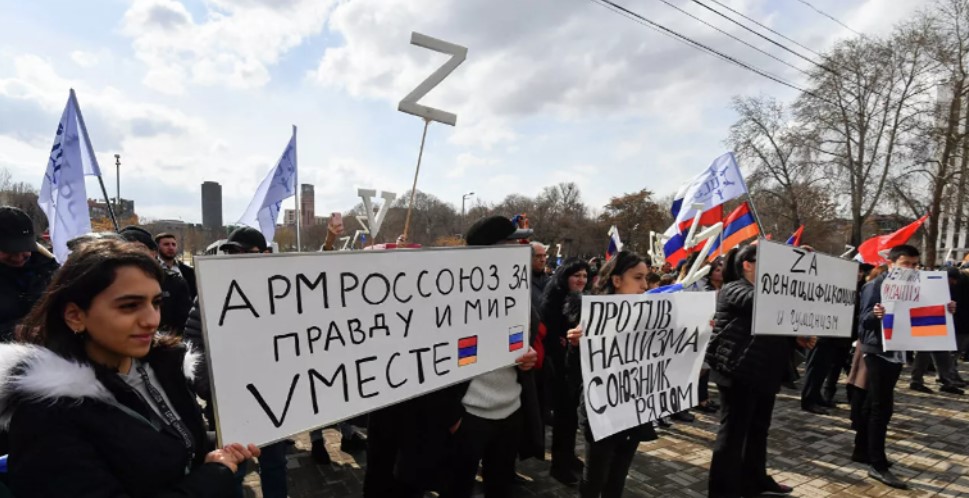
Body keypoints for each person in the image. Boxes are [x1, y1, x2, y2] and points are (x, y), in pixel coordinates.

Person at [0, 238, 259, 497]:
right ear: (75, 316)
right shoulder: (45, 415)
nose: (151, 320)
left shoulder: (165, 365)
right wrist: (213, 477)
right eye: (129, 306)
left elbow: (169, 445)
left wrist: (225, 446)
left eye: (156, 303)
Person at [439, 215, 542, 498]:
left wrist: (526, 356)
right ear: (494, 249)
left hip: (510, 410)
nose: (523, 247)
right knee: (457, 488)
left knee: (500, 487)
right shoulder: (454, 295)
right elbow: (441, 357)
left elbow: (520, 341)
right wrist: (452, 416)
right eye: (514, 242)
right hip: (469, 415)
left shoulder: (518, 291)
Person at [183, 226, 289, 498]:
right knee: (233, 469)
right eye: (232, 252)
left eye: (246, 253)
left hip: (275, 401)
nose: (238, 258)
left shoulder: (282, 292)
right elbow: (193, 347)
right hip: (230, 406)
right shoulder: (211, 293)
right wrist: (214, 391)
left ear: (264, 254)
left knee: (275, 463)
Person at [853, 244, 957, 489]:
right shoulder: (875, 286)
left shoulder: (919, 286)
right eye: (906, 264)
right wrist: (876, 314)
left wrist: (946, 310)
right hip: (877, 351)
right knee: (882, 407)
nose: (911, 269)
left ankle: (862, 451)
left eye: (914, 264)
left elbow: (922, 313)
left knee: (873, 404)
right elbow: (863, 321)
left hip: (898, 351)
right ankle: (877, 464)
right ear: (892, 263)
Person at [565, 251, 658, 498]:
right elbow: (574, 374)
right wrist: (576, 347)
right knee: (594, 479)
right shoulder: (590, 317)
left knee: (617, 478)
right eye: (638, 277)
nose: (644, 285)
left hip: (634, 409)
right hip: (602, 411)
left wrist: (700, 327)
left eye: (646, 278)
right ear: (617, 280)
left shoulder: (654, 315)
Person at [705, 244, 795, 498]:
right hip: (738, 372)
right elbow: (762, 303)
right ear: (748, 264)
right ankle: (722, 491)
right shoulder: (735, 289)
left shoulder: (760, 290)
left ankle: (754, 480)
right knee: (733, 434)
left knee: (758, 430)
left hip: (764, 370)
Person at [540, 258, 590, 486]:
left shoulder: (585, 299)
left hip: (578, 368)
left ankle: (568, 457)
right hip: (559, 370)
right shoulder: (553, 299)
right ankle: (559, 466)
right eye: (576, 275)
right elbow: (547, 334)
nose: (581, 280)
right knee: (563, 419)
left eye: (585, 276)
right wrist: (563, 345)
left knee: (571, 419)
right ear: (564, 277)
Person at [120, 226, 192, 335]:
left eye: (139, 249)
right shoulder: (105, 286)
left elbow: (185, 324)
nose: (132, 254)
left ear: (153, 253)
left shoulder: (175, 283)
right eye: (124, 250)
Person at [0, 206, 58, 342]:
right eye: (11, 251)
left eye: (25, 249)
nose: (19, 257)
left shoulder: (48, 271)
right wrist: (13, 332)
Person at [156, 233, 198, 300]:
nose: (171, 248)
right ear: (157, 247)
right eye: (166, 244)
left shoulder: (188, 271)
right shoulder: (151, 269)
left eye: (173, 244)